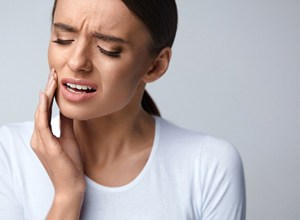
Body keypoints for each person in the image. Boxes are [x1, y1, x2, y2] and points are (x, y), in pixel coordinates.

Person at [0, 0, 246, 219]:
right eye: (63, 39)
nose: (76, 62)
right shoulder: (9, 154)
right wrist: (67, 196)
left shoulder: (208, 165)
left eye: (108, 49)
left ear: (155, 66)